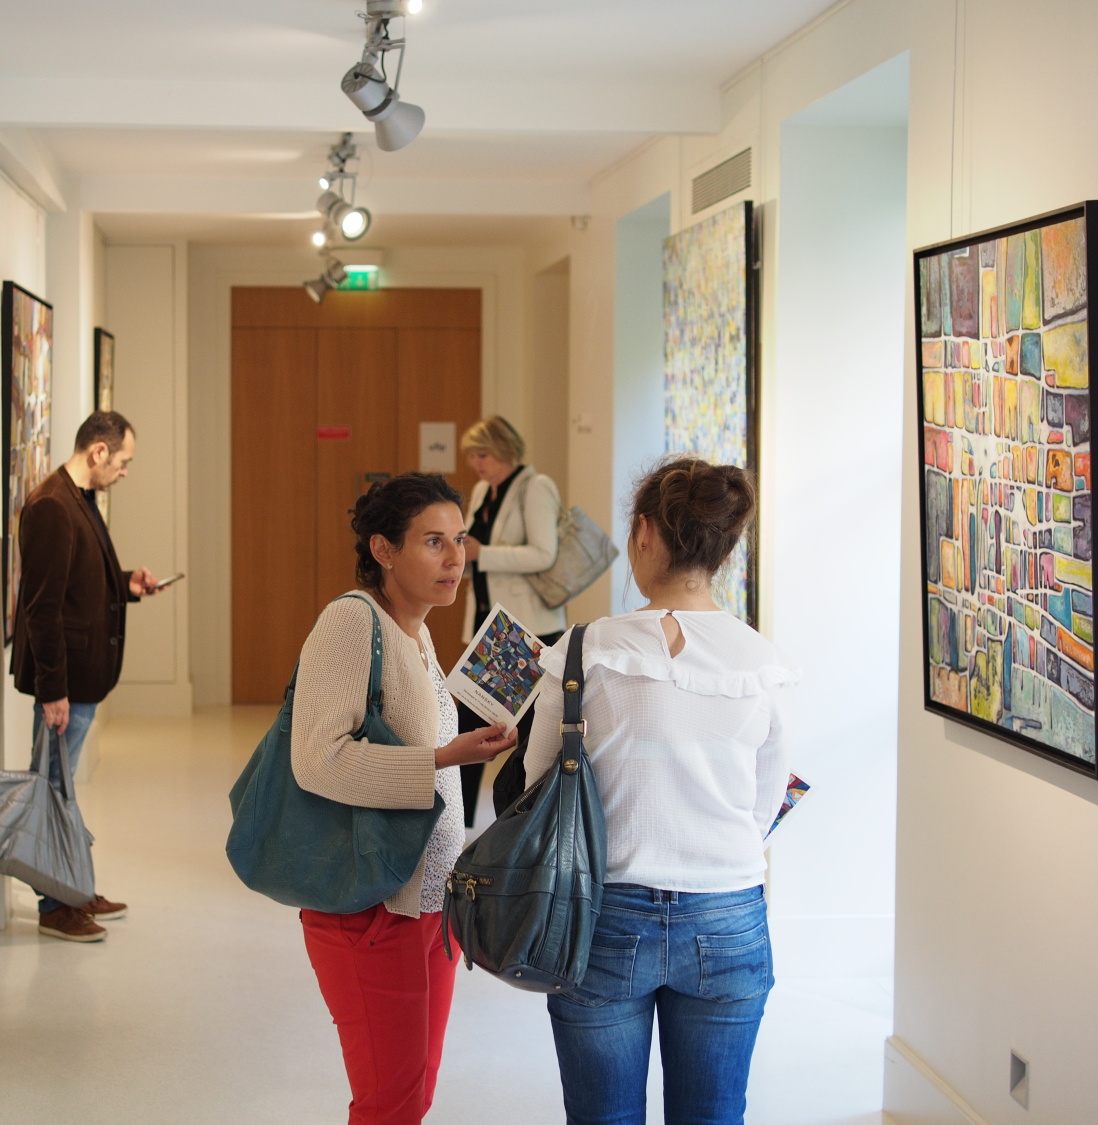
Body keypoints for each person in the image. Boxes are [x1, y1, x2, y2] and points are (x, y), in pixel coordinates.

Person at [523, 457, 796, 1125]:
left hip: (601, 912)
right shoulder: (761, 659)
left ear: (644, 532)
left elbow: (536, 785)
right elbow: (765, 802)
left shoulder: (583, 650)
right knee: (714, 1115)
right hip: (728, 912)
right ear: (725, 547)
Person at [291, 473, 518, 1123]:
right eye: (433, 542)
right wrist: (443, 758)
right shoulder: (350, 621)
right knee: (389, 1103)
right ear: (384, 549)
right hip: (371, 906)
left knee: (414, 1096)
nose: (455, 559)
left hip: (430, 902)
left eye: (460, 540)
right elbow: (317, 760)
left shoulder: (415, 631)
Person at [10, 410, 162, 943]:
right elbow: (43, 608)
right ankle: (55, 905)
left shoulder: (78, 498)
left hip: (81, 681)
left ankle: (74, 889)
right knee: (54, 791)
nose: (125, 471)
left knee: (64, 790)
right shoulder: (51, 506)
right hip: (66, 686)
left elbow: (81, 579)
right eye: (123, 461)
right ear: (99, 451)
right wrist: (53, 691)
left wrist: (126, 583)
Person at [457, 415, 565, 825]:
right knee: (471, 721)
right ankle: (459, 823)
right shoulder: (483, 491)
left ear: (505, 449)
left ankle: (521, 822)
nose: (476, 464)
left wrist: (483, 553)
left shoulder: (535, 487)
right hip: (490, 624)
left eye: (483, 454)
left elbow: (544, 553)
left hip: (528, 627)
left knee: (530, 733)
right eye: (472, 456)